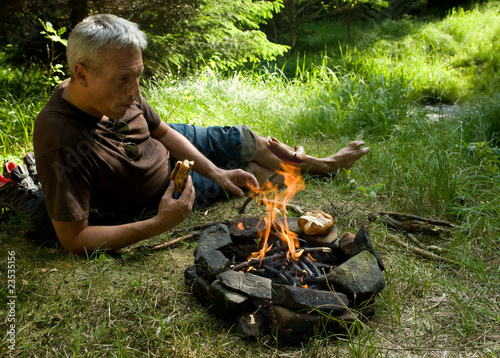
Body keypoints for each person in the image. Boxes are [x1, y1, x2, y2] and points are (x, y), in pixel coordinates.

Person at [31, 14, 369, 255]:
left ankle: (325, 164)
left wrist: (217, 171)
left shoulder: (120, 87)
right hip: (164, 189)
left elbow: (161, 130)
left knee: (245, 139)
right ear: (81, 74)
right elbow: (73, 239)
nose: (136, 91)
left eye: (138, 75)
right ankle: (294, 170)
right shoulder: (60, 140)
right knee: (257, 176)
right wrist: (159, 224)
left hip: (168, 145)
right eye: (123, 79)